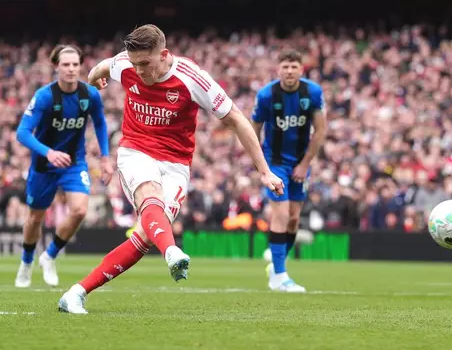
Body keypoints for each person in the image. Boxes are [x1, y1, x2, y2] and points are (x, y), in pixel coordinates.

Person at [58, 24, 284, 314]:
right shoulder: (126, 63)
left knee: (145, 235)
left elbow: (237, 119)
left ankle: (76, 293)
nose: (138, 70)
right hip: (135, 151)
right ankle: (172, 251)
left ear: (164, 54)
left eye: (145, 64)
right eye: (135, 63)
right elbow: (100, 69)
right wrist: (95, 80)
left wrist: (264, 171)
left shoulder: (192, 78)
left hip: (176, 164)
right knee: (150, 197)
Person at [15, 45, 112, 288]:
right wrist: (49, 152)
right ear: (56, 66)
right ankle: (26, 263)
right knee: (35, 218)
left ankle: (49, 255)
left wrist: (106, 157)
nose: (70, 69)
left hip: (74, 162)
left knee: (79, 210)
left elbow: (100, 124)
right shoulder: (44, 96)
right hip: (43, 165)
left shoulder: (90, 94)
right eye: (66, 64)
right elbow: (23, 133)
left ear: (80, 66)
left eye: (75, 65)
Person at [251, 49, 327, 293]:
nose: (289, 71)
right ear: (278, 69)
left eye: (294, 66)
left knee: (294, 219)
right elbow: (253, 130)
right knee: (281, 215)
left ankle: (276, 264)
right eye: (285, 66)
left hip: (300, 163)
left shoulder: (312, 92)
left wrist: (304, 164)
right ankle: (280, 276)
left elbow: (321, 131)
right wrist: (262, 166)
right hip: (275, 164)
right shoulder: (266, 95)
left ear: (301, 69)